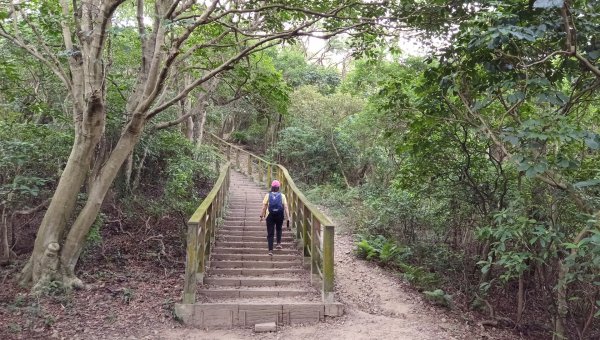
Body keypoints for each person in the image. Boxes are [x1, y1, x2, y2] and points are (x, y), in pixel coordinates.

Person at [260, 180, 290, 256]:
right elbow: (286, 207)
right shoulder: (282, 196)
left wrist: (261, 216)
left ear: (272, 187)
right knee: (279, 229)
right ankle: (278, 244)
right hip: (280, 215)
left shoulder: (267, 195)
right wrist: (288, 217)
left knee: (270, 233)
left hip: (270, 215)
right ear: (278, 187)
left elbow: (264, 207)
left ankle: (270, 250)